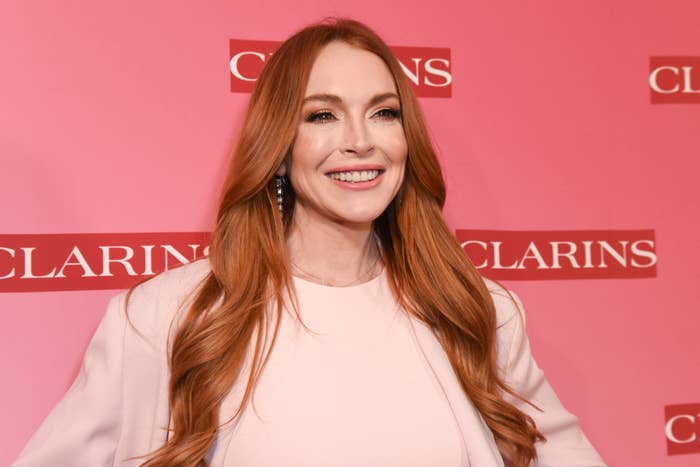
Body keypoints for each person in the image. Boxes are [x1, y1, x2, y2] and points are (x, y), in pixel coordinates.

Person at [12, 17, 605, 467]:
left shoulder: (479, 313)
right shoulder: (171, 317)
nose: (359, 141)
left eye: (384, 113)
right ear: (278, 143)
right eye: (322, 115)